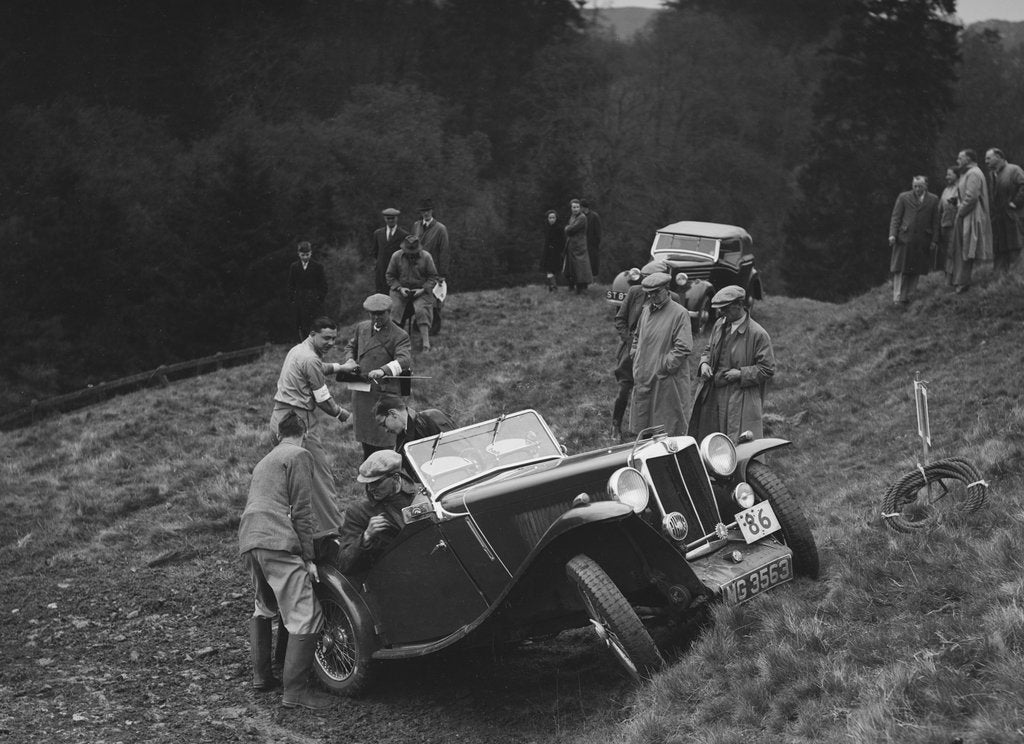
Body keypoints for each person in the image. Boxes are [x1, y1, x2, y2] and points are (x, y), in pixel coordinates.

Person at [238, 411, 335, 710]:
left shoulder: (264, 461)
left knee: (264, 606)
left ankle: (261, 677)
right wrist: (307, 557)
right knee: (307, 614)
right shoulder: (300, 455)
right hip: (276, 540)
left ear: (279, 434)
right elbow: (303, 510)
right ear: (303, 432)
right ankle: (295, 693)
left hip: (250, 539)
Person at [270, 316, 350, 539]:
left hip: (279, 418)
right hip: (298, 423)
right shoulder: (310, 359)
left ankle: (286, 532)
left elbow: (316, 367)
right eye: (326, 338)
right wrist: (342, 414)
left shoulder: (298, 350)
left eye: (334, 338)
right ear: (312, 334)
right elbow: (324, 400)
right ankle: (336, 534)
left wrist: (340, 367)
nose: (331, 343)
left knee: (288, 481)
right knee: (320, 480)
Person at [689, 286, 775, 442]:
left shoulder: (758, 334)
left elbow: (767, 369)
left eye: (725, 309)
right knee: (709, 441)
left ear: (739, 305)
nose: (721, 313)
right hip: (713, 394)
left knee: (738, 444)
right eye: (719, 309)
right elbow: (708, 349)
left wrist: (741, 374)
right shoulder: (719, 325)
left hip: (739, 398)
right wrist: (704, 364)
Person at [337, 293, 412, 459]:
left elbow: (404, 360)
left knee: (384, 438)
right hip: (362, 393)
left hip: (383, 396)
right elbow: (351, 347)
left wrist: (383, 370)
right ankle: (370, 474)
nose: (376, 317)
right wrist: (350, 360)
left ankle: (387, 475)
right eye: (373, 314)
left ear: (389, 312)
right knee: (366, 439)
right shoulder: (362, 328)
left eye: (381, 313)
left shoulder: (399, 335)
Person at [611, 260, 678, 440]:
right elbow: (620, 319)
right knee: (625, 388)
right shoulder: (634, 292)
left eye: (652, 280)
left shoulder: (674, 300)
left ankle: (650, 430)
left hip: (658, 353)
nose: (647, 284)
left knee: (654, 392)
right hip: (631, 352)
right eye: (645, 279)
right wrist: (630, 340)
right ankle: (616, 425)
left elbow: (677, 330)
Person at [333, 450, 422, 574]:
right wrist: (366, 536)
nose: (370, 489)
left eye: (376, 483)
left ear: (396, 478)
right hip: (392, 572)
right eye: (367, 483)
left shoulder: (422, 494)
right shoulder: (358, 512)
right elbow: (343, 563)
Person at [628, 272, 692, 437]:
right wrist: (635, 356)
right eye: (649, 293)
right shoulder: (646, 311)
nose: (652, 296)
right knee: (644, 429)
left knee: (667, 431)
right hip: (644, 377)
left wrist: (664, 366)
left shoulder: (679, 313)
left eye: (656, 292)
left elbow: (683, 347)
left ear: (666, 289)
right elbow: (637, 337)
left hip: (666, 381)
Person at [887, 176, 940, 305]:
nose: (917, 189)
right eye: (915, 186)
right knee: (900, 268)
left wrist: (934, 240)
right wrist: (893, 234)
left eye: (920, 186)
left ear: (926, 186)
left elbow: (935, 221)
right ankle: (898, 298)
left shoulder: (933, 199)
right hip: (904, 238)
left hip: (922, 240)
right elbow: (896, 217)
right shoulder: (903, 197)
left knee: (916, 268)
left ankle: (909, 295)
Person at [374, 394, 456, 473]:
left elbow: (458, 449)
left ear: (393, 413)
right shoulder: (401, 439)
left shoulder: (431, 418)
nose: (386, 430)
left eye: (384, 424)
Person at [950, 149, 993, 293]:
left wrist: (960, 212)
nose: (957, 161)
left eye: (960, 158)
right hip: (967, 213)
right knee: (964, 247)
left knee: (966, 248)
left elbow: (971, 197)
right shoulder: (967, 173)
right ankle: (960, 281)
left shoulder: (973, 173)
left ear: (968, 159)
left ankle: (962, 283)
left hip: (971, 215)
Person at [386, 234, 439, 351]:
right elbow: (390, 276)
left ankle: (426, 344)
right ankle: (395, 342)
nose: (411, 255)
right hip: (400, 291)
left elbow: (433, 277)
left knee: (422, 309)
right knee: (395, 308)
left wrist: (423, 289)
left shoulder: (426, 257)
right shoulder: (396, 256)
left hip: (421, 291)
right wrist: (400, 288)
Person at [412, 199, 450, 336]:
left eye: (428, 211)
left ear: (432, 211)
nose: (426, 213)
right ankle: (419, 326)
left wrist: (442, 274)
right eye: (423, 211)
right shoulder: (416, 226)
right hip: (418, 270)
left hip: (434, 270)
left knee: (434, 300)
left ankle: (434, 328)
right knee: (419, 298)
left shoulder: (440, 229)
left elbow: (444, 252)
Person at [985, 147, 1024, 274]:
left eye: (988, 158)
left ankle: (1016, 278)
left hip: (1013, 216)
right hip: (999, 217)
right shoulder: (992, 174)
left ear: (999, 157)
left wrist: (1015, 203)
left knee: (1015, 246)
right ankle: (999, 279)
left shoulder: (1014, 169)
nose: (986, 161)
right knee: (1000, 247)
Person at [287, 241, 328, 340]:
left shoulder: (318, 267)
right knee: (302, 325)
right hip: (300, 301)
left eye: (307, 254)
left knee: (316, 324)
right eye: (302, 255)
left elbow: (323, 285)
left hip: (314, 300)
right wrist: (293, 299)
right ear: (298, 254)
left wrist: (319, 298)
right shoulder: (294, 267)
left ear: (311, 253)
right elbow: (290, 284)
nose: (305, 257)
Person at [371, 208, 408, 295]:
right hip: (381, 273)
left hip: (396, 273)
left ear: (397, 219)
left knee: (395, 299)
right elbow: (374, 252)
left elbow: (406, 256)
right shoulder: (378, 233)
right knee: (381, 300)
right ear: (385, 219)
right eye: (388, 218)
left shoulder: (404, 235)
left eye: (393, 218)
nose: (391, 220)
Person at [563, 198, 592, 294]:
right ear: (571, 208)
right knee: (572, 267)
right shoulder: (572, 217)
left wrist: (567, 228)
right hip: (572, 245)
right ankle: (573, 287)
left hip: (579, 246)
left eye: (577, 207)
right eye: (573, 207)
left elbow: (570, 229)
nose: (575, 209)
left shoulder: (582, 217)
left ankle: (581, 288)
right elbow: (570, 229)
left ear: (580, 208)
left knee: (580, 267)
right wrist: (568, 229)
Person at [938, 166, 959, 273]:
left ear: (956, 175)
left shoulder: (960, 188)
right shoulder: (946, 190)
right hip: (944, 224)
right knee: (946, 251)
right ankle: (947, 275)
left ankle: (953, 276)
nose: (947, 177)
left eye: (949, 174)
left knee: (953, 251)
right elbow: (940, 208)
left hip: (955, 224)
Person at [541, 209, 563, 291]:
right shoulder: (546, 228)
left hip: (555, 252)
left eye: (553, 217)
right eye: (550, 217)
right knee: (548, 270)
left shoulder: (559, 228)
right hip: (547, 252)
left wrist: (558, 249)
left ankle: (553, 287)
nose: (552, 219)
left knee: (552, 270)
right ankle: (552, 286)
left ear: (556, 218)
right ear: (547, 218)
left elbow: (562, 241)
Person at [581, 199, 602, 279]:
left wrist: (595, 243)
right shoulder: (581, 217)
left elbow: (598, 232)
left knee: (593, 264)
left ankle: (593, 281)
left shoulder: (594, 216)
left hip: (592, 245)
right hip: (582, 244)